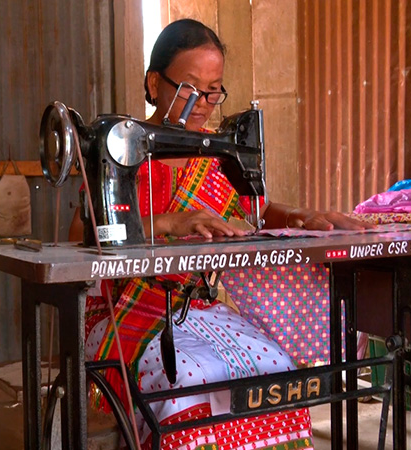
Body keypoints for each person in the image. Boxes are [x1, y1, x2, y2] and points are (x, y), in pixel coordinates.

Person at [70, 18, 373, 450]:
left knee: (276, 369)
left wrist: (305, 217)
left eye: (214, 89)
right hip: (124, 309)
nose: (203, 102)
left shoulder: (214, 154)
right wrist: (171, 222)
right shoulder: (120, 147)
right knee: (191, 381)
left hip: (196, 308)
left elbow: (259, 209)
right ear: (155, 83)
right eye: (189, 87)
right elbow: (78, 232)